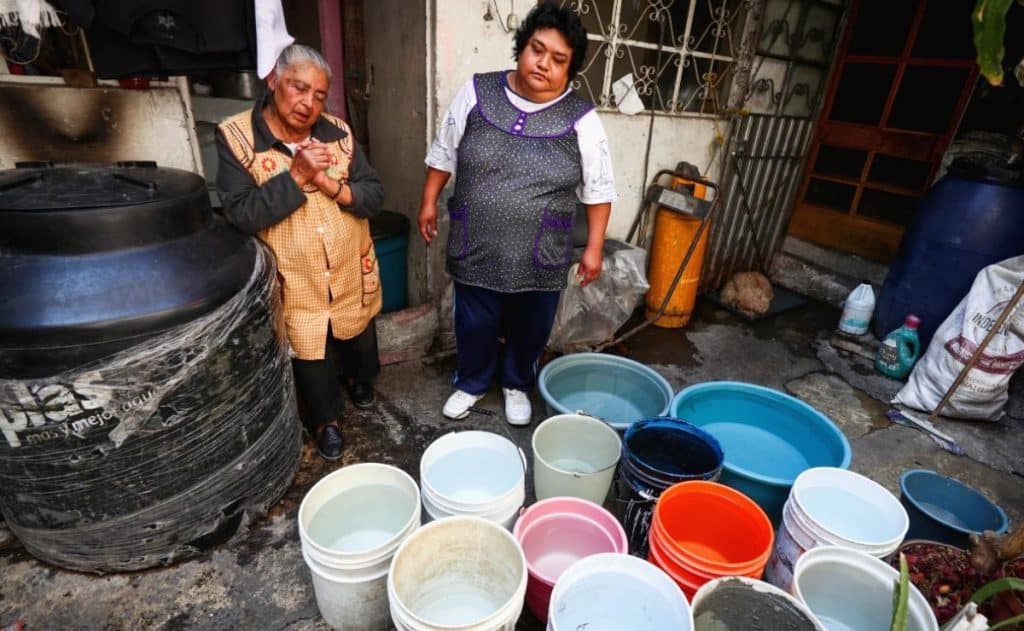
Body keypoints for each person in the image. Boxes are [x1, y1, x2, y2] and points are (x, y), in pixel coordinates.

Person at [419, 1, 616, 426]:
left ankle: (516, 382)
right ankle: (471, 381)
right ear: (521, 47)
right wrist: (429, 201)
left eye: (558, 59)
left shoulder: (582, 119)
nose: (543, 64)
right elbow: (444, 150)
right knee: (475, 318)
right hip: (478, 241)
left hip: (541, 249)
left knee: (531, 323)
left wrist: (595, 247)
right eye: (536, 49)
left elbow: (599, 189)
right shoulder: (477, 91)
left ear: (570, 69)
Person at [216, 44, 384, 460]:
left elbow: (374, 194)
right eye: (298, 87)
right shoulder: (237, 138)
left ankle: (361, 381)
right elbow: (240, 214)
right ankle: (325, 419)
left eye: (320, 94)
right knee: (310, 350)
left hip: (348, 265)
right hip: (297, 276)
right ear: (274, 81)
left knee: (359, 331)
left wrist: (334, 187)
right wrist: (296, 175)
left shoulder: (339, 132)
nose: (308, 103)